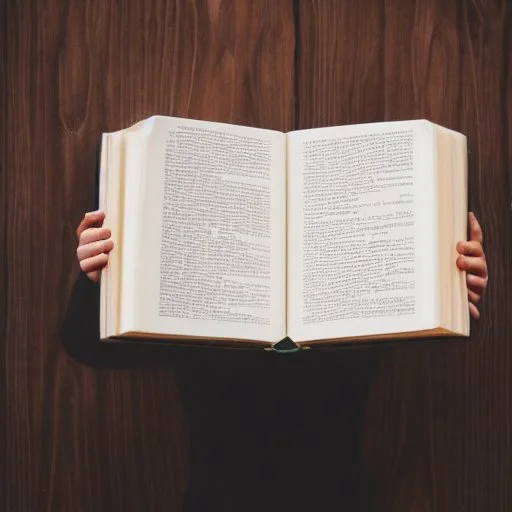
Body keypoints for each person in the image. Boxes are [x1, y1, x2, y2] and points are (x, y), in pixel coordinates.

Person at [74, 209, 488, 511]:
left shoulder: (357, 291)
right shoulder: (200, 290)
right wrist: (95, 278)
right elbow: (88, 346)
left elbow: (440, 335)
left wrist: (459, 286)